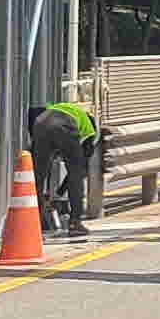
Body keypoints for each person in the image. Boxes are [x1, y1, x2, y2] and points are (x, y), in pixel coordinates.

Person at [25, 85, 99, 241]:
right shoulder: (90, 132)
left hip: (40, 122)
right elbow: (79, 172)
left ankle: (35, 225)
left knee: (38, 177)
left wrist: (56, 193)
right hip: (65, 126)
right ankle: (75, 223)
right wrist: (60, 193)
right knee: (76, 175)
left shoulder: (66, 109)